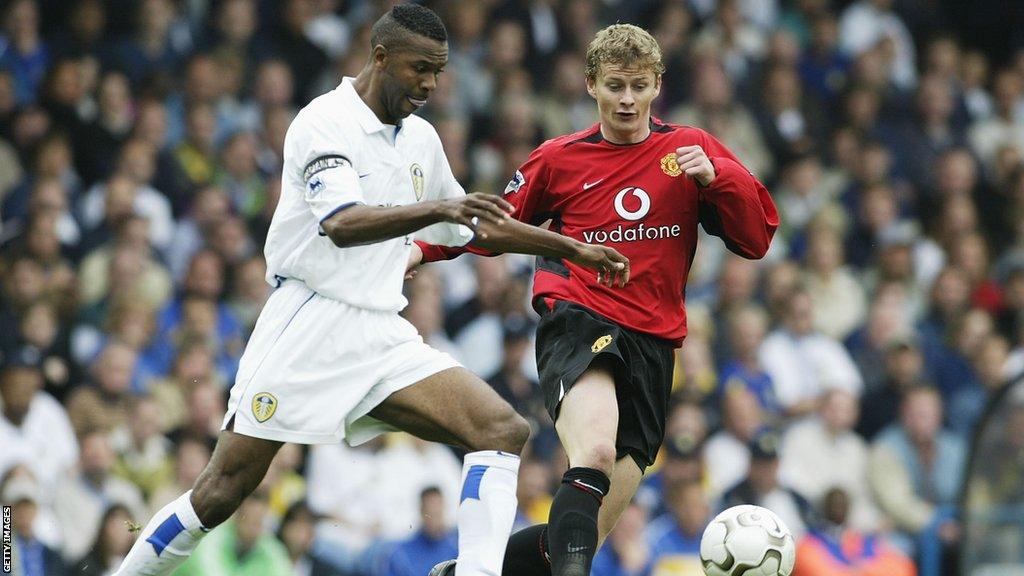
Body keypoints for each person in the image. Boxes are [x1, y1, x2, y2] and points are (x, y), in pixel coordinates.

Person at [113, 5, 628, 576]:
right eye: (419, 69)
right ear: (380, 57)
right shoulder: (323, 122)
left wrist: (572, 249)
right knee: (219, 492)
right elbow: (341, 222)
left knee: (502, 430)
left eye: (439, 71)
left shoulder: (421, 139)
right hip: (308, 323)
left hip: (381, 330)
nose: (431, 84)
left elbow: (474, 224)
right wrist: (436, 206)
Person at [413, 23, 777, 576]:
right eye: (614, 86)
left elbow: (757, 239)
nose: (626, 100)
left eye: (637, 86)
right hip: (580, 319)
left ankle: (463, 572)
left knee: (582, 531)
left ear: (657, 84)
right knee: (595, 454)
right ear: (591, 86)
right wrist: (420, 248)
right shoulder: (559, 159)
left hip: (655, 345)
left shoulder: (692, 150)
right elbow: (491, 226)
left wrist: (720, 176)